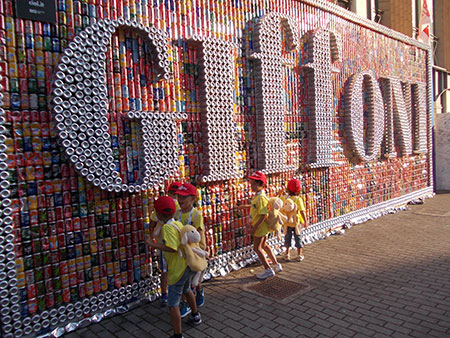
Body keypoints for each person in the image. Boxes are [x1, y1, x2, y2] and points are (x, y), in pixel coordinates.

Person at [146, 196, 201, 338]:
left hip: (177, 271)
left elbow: (172, 247)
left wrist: (153, 244)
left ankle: (178, 334)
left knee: (172, 304)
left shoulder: (167, 228)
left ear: (158, 215)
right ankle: (196, 315)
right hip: (186, 266)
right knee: (187, 290)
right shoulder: (177, 223)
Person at [240, 171, 282, 280]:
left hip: (260, 227)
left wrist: (254, 228)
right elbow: (256, 207)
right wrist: (244, 206)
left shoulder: (261, 197)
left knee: (257, 248)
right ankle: (276, 265)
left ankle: (268, 270)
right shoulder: (258, 196)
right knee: (264, 246)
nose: (251, 186)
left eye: (254, 184)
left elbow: (263, 214)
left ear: (261, 185)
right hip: (261, 227)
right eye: (251, 183)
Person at [174, 183, 206, 316]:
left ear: (193, 199)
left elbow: (197, 236)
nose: (180, 199)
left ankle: (199, 290)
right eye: (179, 196)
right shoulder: (176, 214)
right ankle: (186, 303)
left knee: (194, 279)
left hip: (195, 252)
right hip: (183, 252)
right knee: (183, 281)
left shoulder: (196, 215)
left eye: (184, 197)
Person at [149, 182, 182, 306]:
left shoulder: (162, 205)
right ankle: (179, 294)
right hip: (178, 242)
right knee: (175, 269)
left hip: (163, 244)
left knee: (165, 270)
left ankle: (165, 295)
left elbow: (152, 223)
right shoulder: (179, 206)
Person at [281, 178, 308, 261]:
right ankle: (299, 254)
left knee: (287, 238)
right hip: (296, 223)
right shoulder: (298, 199)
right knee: (298, 238)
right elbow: (302, 211)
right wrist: (305, 221)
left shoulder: (284, 198)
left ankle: (287, 254)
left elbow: (279, 206)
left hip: (287, 222)